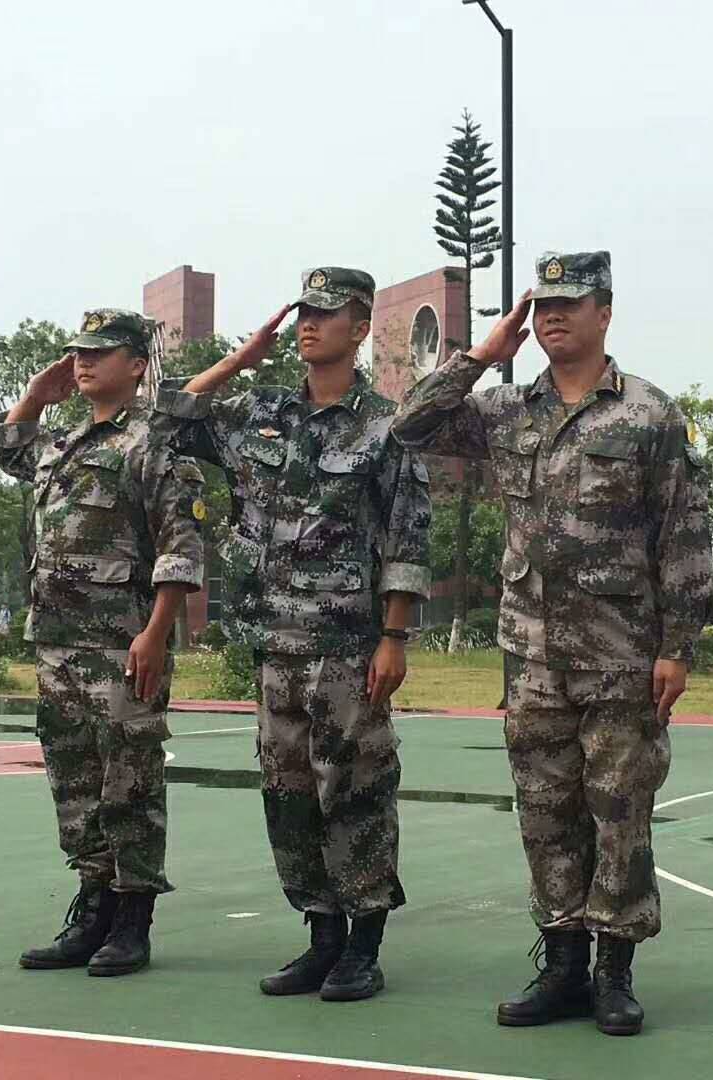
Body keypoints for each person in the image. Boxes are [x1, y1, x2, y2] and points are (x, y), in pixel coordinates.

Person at [392, 251, 712, 1036]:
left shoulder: (648, 414)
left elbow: (685, 535)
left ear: (606, 312)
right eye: (541, 307)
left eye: (571, 304)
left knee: (619, 813)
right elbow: (409, 426)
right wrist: (479, 356)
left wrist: (678, 645)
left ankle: (614, 970)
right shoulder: (504, 409)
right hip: (531, 653)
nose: (553, 318)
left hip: (621, 653)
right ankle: (562, 962)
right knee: (544, 811)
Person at [155, 267, 431, 1002]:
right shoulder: (258, 413)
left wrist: (395, 636)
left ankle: (363, 943)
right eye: (303, 312)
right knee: (288, 790)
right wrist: (243, 359)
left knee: (356, 788)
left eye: (326, 313)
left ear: (361, 327)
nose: (309, 323)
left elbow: (407, 537)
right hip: (271, 640)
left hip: (347, 643)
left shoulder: (385, 426)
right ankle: (320, 935)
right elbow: (170, 416)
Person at [0, 308, 205, 977]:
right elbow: (8, 451)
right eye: (78, 352)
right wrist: (34, 394)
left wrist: (155, 633)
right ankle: (91, 907)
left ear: (137, 365)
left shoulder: (156, 440)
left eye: (100, 352)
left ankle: (132, 917)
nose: (83, 362)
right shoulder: (66, 439)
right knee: (75, 778)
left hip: (122, 642)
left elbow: (181, 547)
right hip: (58, 644)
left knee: (129, 777)